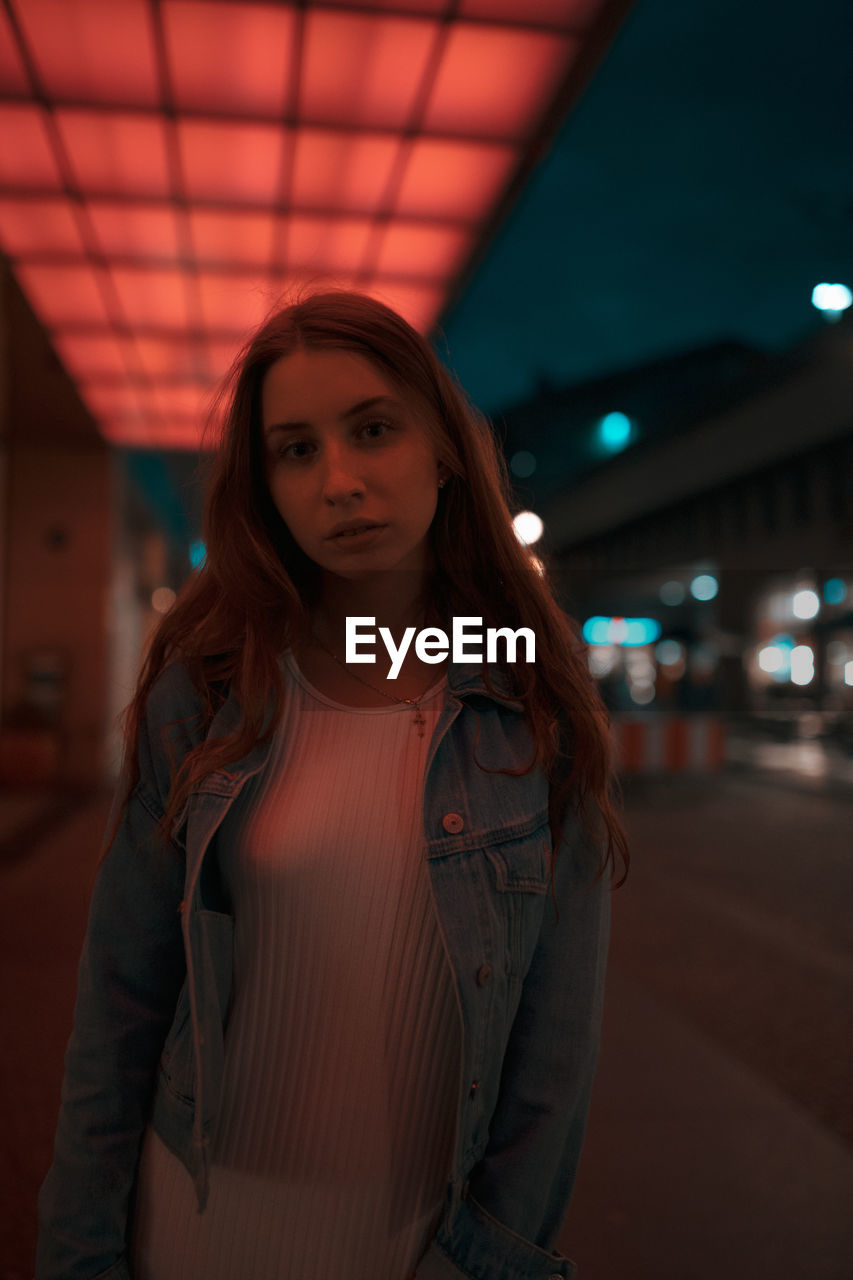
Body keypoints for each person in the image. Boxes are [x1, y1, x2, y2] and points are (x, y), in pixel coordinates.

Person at [36, 289, 628, 1280]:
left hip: (423, 1243)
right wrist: (79, 1247)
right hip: (197, 1220)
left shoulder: (529, 697)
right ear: (263, 483)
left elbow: (552, 1057)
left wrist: (491, 1253)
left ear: (442, 445)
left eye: (373, 429)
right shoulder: (212, 682)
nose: (341, 480)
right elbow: (120, 998)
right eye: (296, 449)